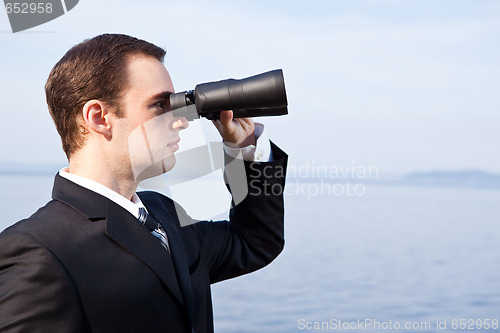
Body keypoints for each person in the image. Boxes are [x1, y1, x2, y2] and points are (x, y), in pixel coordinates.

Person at [0, 34, 287, 333]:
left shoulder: (164, 214)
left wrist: (247, 148)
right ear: (99, 117)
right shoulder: (40, 251)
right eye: (160, 105)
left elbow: (255, 242)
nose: (182, 121)